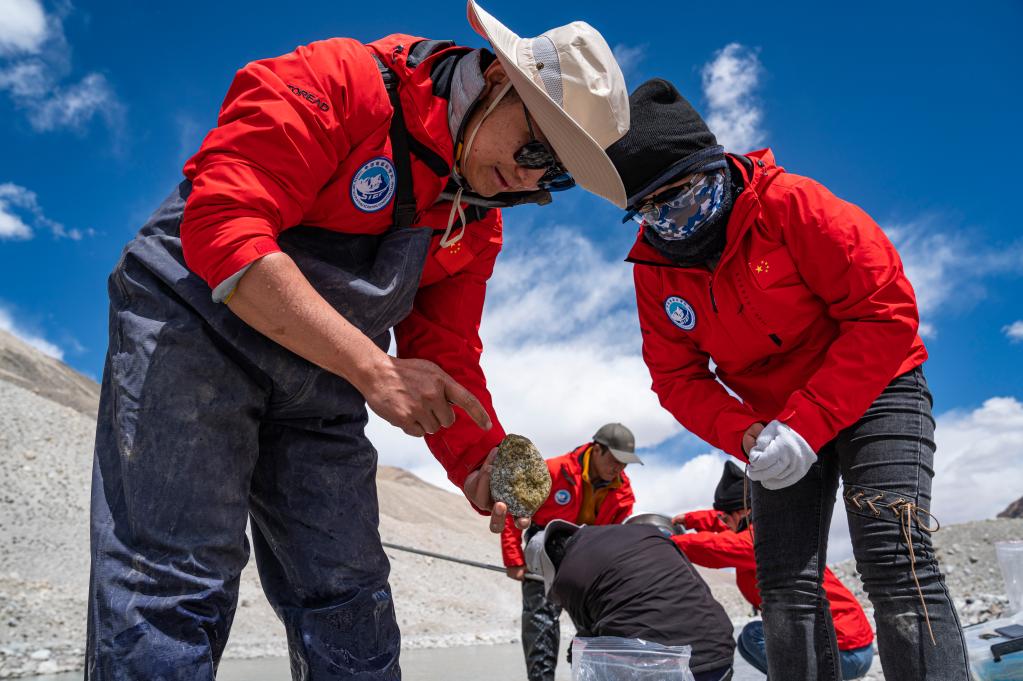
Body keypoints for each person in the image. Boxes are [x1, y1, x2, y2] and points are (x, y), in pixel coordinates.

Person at [85, 2, 631, 678]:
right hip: (192, 330)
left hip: (319, 382)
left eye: (554, 174)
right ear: (496, 78)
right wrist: (371, 367)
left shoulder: (474, 221)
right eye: (535, 148)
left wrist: (479, 461)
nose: (528, 177)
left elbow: (446, 350)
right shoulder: (340, 81)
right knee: (172, 580)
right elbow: (224, 223)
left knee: (349, 597)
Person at [605, 78, 970, 680]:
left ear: (716, 171)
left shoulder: (794, 205)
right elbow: (676, 378)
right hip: (773, 424)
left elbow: (885, 311)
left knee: (893, 558)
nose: (673, 226)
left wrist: (811, 421)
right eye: (650, 213)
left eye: (684, 201)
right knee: (783, 583)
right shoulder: (655, 270)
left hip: (879, 387)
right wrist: (746, 435)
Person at [673, 462, 874, 679]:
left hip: (845, 650)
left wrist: (670, 542)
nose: (722, 522)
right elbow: (722, 522)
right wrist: (690, 519)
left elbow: (717, 546)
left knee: (753, 636)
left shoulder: (761, 541)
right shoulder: (763, 526)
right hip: (852, 643)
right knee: (748, 641)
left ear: (744, 513)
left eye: (725, 517)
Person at [501, 423, 640, 681]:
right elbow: (514, 510)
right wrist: (513, 558)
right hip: (544, 550)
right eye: (615, 460)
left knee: (599, 624)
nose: (619, 468)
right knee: (541, 622)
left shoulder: (624, 494)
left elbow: (613, 536)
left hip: (588, 556)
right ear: (597, 449)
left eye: (625, 463)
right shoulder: (554, 470)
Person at [527, 519, 735, 681]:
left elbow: (589, 638)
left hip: (668, 674)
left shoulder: (567, 577)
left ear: (552, 565)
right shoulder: (646, 532)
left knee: (580, 652)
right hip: (720, 658)